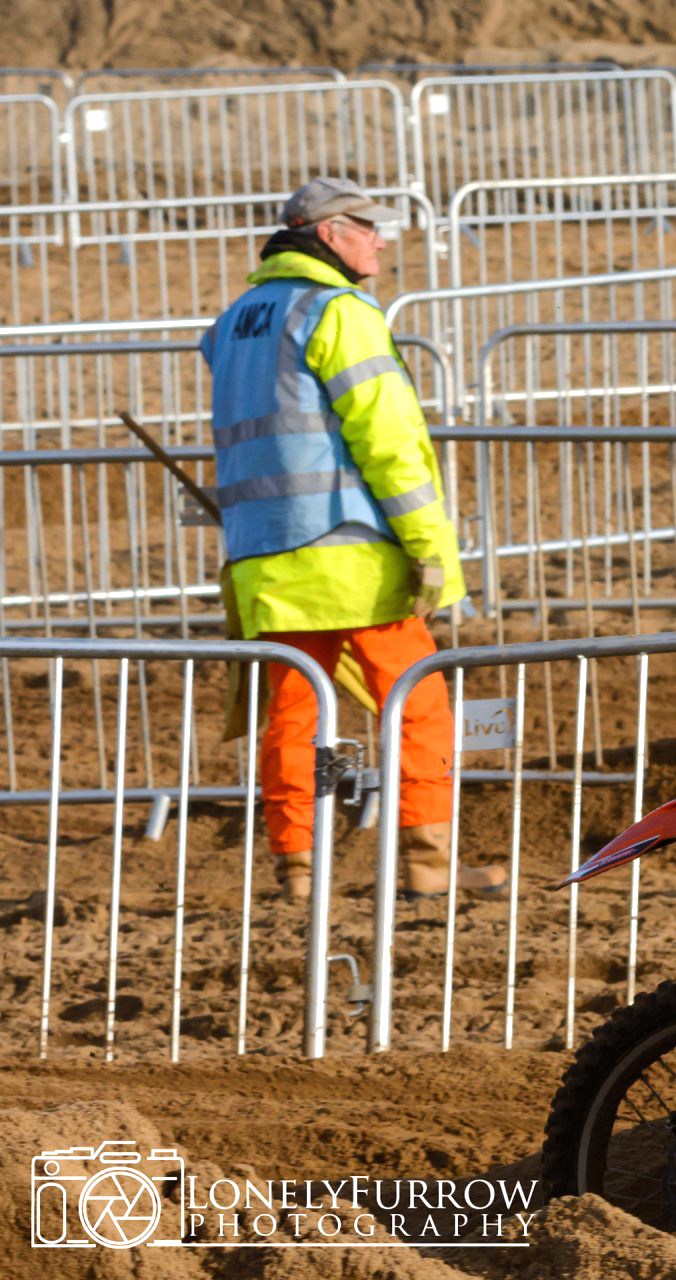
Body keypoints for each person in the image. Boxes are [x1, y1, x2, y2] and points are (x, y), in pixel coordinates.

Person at [201, 176, 506, 902]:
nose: (380, 241)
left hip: (261, 558)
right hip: (351, 555)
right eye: (368, 228)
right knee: (417, 702)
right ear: (328, 234)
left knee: (295, 714)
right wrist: (428, 545)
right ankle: (429, 863)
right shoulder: (338, 311)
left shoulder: (235, 322)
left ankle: (298, 870)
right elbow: (389, 441)